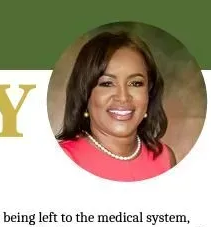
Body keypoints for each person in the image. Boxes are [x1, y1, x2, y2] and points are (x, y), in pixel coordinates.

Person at [56, 31, 175, 181]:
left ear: (149, 91)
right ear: (85, 93)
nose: (123, 97)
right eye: (107, 83)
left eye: (135, 83)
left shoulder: (165, 158)